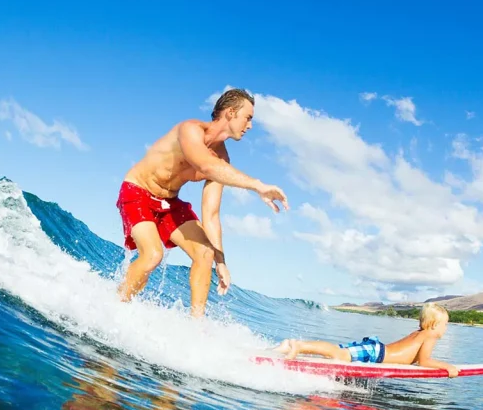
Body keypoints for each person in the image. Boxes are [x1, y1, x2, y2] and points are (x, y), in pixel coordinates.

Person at [115, 88, 288, 317]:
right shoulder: (190, 130)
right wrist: (258, 185)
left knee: (205, 252)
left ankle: (196, 326)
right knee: (152, 255)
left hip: (170, 202)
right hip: (138, 192)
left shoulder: (223, 159)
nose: (250, 126)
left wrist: (221, 262)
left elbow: (212, 214)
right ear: (230, 113)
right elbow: (206, 165)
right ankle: (117, 306)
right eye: (248, 118)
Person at [273, 303, 460, 377]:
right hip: (376, 354)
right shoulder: (429, 335)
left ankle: (289, 345)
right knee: (339, 354)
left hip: (375, 349)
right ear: (434, 325)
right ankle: (299, 345)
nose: (446, 328)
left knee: (338, 351)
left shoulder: (418, 333)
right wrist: (448, 367)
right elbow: (424, 361)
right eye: (445, 324)